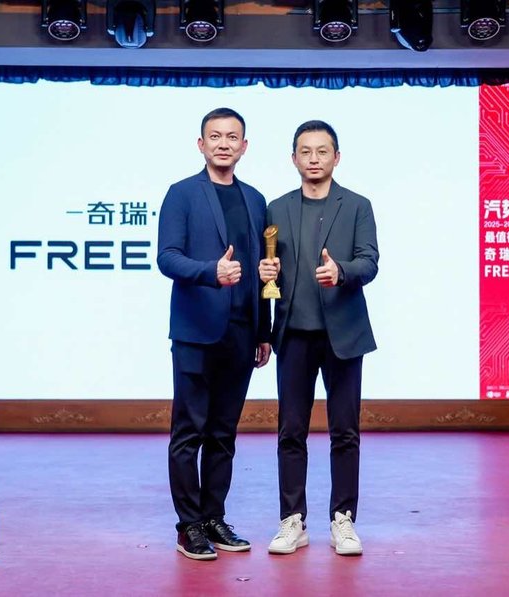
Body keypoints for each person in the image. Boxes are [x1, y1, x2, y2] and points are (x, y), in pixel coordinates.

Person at [258, 120, 379, 557]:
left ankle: (343, 519)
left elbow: (370, 261)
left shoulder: (358, 206)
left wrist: (341, 271)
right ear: (293, 158)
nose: (313, 159)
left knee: (345, 431)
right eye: (305, 152)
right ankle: (292, 520)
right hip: (293, 334)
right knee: (291, 431)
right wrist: (265, 274)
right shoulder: (276, 208)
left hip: (343, 334)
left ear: (336, 157)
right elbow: (267, 273)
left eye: (322, 151)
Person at [157, 107, 272, 561]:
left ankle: (213, 518)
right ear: (201, 144)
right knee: (189, 432)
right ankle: (188, 526)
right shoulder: (182, 193)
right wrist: (211, 272)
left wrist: (264, 330)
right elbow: (167, 257)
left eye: (232, 137)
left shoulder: (256, 200)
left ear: (244, 146)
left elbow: (263, 271)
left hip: (242, 332)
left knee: (224, 433)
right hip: (195, 331)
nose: (224, 144)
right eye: (215, 136)